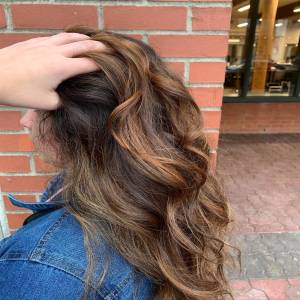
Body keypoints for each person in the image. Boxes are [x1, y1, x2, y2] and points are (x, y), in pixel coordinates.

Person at [0, 25, 237, 300]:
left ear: (79, 127)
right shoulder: (146, 195)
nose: (24, 121)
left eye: (37, 108)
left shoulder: (43, 268)